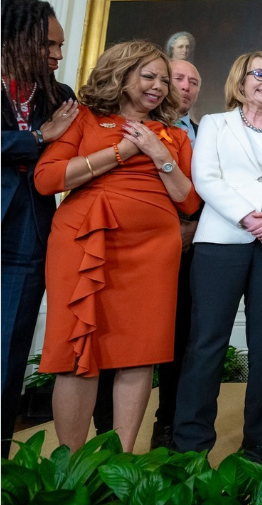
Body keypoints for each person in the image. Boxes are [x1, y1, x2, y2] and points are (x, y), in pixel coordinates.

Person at [34, 40, 200, 452]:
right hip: (86, 241)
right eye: (149, 76)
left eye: (165, 80)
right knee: (77, 353)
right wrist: (123, 151)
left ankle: (123, 461)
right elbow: (47, 178)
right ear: (121, 76)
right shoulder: (84, 119)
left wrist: (159, 152)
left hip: (153, 251)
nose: (159, 86)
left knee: (139, 352)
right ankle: (72, 465)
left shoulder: (175, 135)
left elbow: (190, 200)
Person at [173, 52, 262, 463]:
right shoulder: (215, 124)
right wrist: (251, 219)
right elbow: (206, 178)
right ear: (242, 80)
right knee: (207, 343)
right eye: (259, 75)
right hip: (221, 244)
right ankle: (191, 443)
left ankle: (259, 439)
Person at [1, 0, 77, 457]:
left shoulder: (60, 97)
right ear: (19, 35)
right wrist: (34, 138)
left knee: (9, 351)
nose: (58, 55)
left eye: (60, 46)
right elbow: (42, 143)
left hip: (29, 234)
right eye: (50, 44)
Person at [146, 59, 203, 449]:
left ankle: (167, 420)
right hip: (145, 245)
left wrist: (193, 228)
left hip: (192, 248)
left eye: (193, 81)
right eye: (177, 78)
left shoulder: (202, 132)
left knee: (182, 336)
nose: (185, 86)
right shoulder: (141, 127)